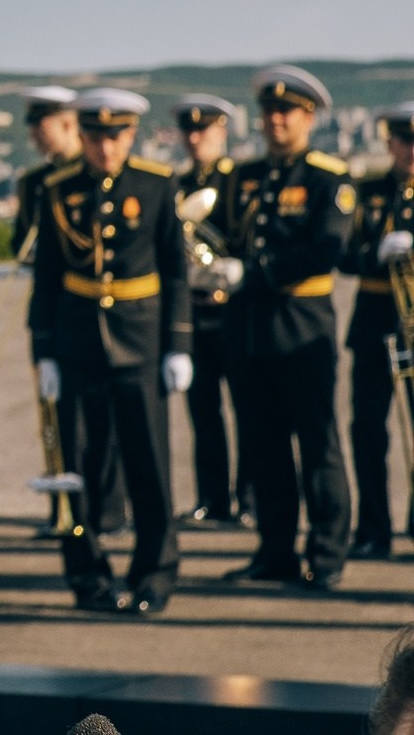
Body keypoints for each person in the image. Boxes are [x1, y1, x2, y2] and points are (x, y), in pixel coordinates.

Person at [27, 88, 187, 615]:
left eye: (115, 136)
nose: (105, 148)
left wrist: (178, 344)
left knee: (149, 464)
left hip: (140, 341)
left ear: (131, 135)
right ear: (83, 137)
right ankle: (87, 574)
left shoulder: (156, 184)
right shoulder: (57, 189)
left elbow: (176, 271)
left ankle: (154, 574)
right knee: (78, 467)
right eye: (95, 137)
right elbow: (47, 276)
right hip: (77, 342)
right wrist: (44, 351)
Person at [222, 64, 352, 590]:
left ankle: (327, 554)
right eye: (269, 111)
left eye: (287, 112)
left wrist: (254, 273)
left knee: (318, 444)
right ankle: (274, 551)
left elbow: (325, 249)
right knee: (264, 446)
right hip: (250, 329)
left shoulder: (327, 176)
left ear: (309, 117)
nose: (276, 120)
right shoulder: (244, 176)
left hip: (301, 326)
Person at [17, 84, 122, 539]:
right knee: (58, 418)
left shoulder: (95, 175)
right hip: (55, 312)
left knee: (106, 419)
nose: (35, 136)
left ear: (66, 124)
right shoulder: (35, 184)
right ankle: (68, 510)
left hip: (99, 313)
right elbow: (22, 247)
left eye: (41, 126)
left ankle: (109, 511)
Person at [173, 94, 250, 527]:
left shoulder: (240, 180)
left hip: (235, 311)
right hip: (195, 311)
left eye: (202, 129)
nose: (194, 138)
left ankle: (251, 498)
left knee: (248, 408)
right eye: (189, 130)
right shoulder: (178, 185)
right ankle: (212, 498)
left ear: (222, 130)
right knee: (203, 412)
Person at [346, 102, 414, 558]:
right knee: (368, 430)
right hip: (374, 321)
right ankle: (373, 529)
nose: (412, 150)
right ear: (390, 143)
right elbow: (340, 253)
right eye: (405, 140)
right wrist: (374, 254)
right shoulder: (366, 190)